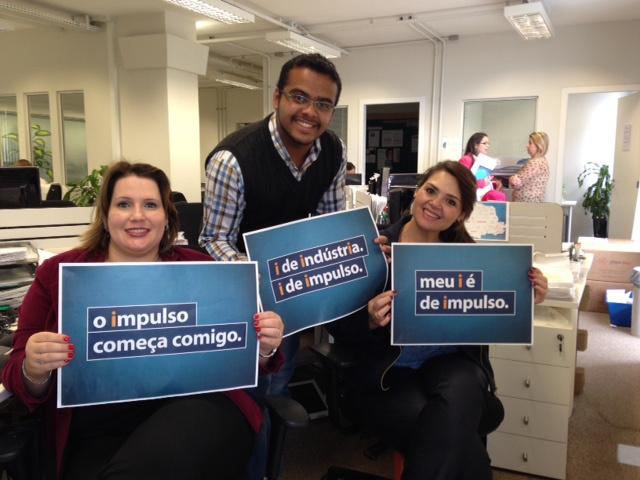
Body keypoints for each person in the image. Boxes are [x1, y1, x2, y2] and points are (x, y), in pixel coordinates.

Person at [2, 161, 284, 480]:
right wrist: (34, 369)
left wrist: (264, 348)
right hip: (97, 431)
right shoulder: (57, 274)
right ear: (106, 215)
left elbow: (238, 355)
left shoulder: (202, 269)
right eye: (124, 204)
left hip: (198, 412)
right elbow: (17, 373)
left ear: (166, 217)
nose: (138, 215)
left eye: (150, 205)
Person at [327, 160, 548, 480]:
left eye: (451, 201)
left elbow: (491, 311)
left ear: (461, 214)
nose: (435, 203)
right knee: (455, 434)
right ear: (417, 191)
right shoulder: (377, 248)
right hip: (390, 374)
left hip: (453, 364)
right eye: (431, 191)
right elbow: (338, 326)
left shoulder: (470, 256)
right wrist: (370, 319)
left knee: (459, 392)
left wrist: (526, 291)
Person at [199, 52, 347, 396]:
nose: (310, 112)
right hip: (239, 293)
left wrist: (352, 249)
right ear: (277, 97)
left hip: (289, 290)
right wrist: (263, 278)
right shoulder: (233, 159)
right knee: (243, 391)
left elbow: (329, 224)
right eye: (299, 97)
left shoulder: (333, 151)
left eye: (323, 104)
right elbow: (213, 240)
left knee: (279, 379)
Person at [459, 132, 507, 201]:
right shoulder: (465, 160)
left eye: (488, 144)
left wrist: (495, 183)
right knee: (497, 196)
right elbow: (464, 182)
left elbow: (481, 177)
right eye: (484, 143)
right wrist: (483, 183)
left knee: (500, 195)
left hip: (483, 193)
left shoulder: (484, 161)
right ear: (475, 145)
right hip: (473, 197)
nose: (488, 146)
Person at [509, 131, 550, 202]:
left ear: (539, 146)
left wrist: (511, 178)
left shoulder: (535, 163)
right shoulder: (542, 161)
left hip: (526, 204)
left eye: (530, 143)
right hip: (533, 202)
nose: (527, 145)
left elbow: (516, 183)